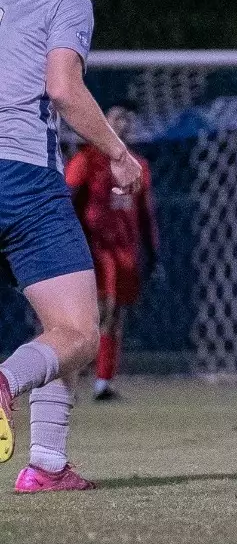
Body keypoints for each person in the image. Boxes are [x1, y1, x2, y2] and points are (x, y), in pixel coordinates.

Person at [0, 0, 142, 493]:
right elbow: (62, 88)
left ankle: (48, 465)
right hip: (23, 177)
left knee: (60, 330)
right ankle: (5, 380)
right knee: (80, 332)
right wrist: (117, 152)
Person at [66, 105, 156, 401]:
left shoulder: (138, 165)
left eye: (129, 118)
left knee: (114, 316)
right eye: (117, 117)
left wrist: (153, 251)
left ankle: (103, 383)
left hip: (124, 252)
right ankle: (64, 383)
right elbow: (67, 200)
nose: (124, 123)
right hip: (93, 250)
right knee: (87, 317)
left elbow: (144, 213)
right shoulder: (88, 159)